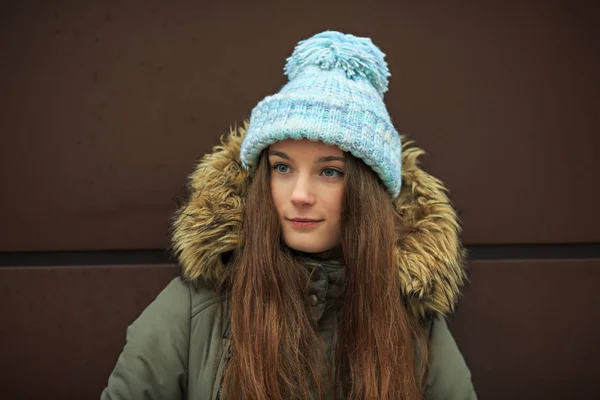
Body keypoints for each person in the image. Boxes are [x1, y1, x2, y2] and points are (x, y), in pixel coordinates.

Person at [101, 31, 476, 400]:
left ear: (369, 193)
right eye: (282, 168)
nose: (299, 195)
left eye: (330, 171)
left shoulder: (415, 325)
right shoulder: (192, 310)